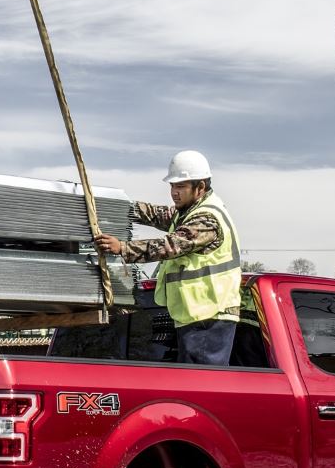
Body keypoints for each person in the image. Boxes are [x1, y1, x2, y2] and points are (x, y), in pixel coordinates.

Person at [95, 150, 242, 365]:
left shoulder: (207, 218)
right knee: (194, 384)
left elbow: (169, 246)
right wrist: (115, 206)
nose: (174, 192)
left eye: (180, 186)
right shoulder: (188, 211)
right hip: (195, 316)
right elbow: (156, 214)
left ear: (200, 187)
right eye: (172, 186)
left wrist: (123, 248)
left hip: (209, 317)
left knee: (202, 385)